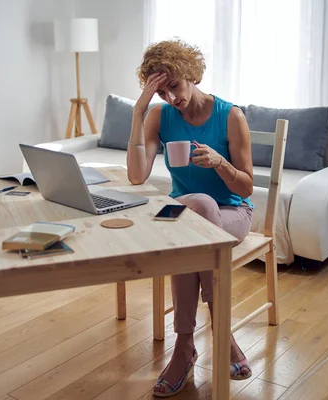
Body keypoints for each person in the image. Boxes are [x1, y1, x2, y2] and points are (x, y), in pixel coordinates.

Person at [127, 38, 255, 397]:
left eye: (174, 87)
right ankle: (214, 334)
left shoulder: (231, 116)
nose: (171, 99)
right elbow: (137, 176)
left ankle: (185, 346)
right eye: (161, 93)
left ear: (190, 74)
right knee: (189, 218)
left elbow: (246, 189)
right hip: (186, 216)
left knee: (197, 209)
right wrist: (138, 112)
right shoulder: (159, 116)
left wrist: (221, 162)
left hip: (231, 212)